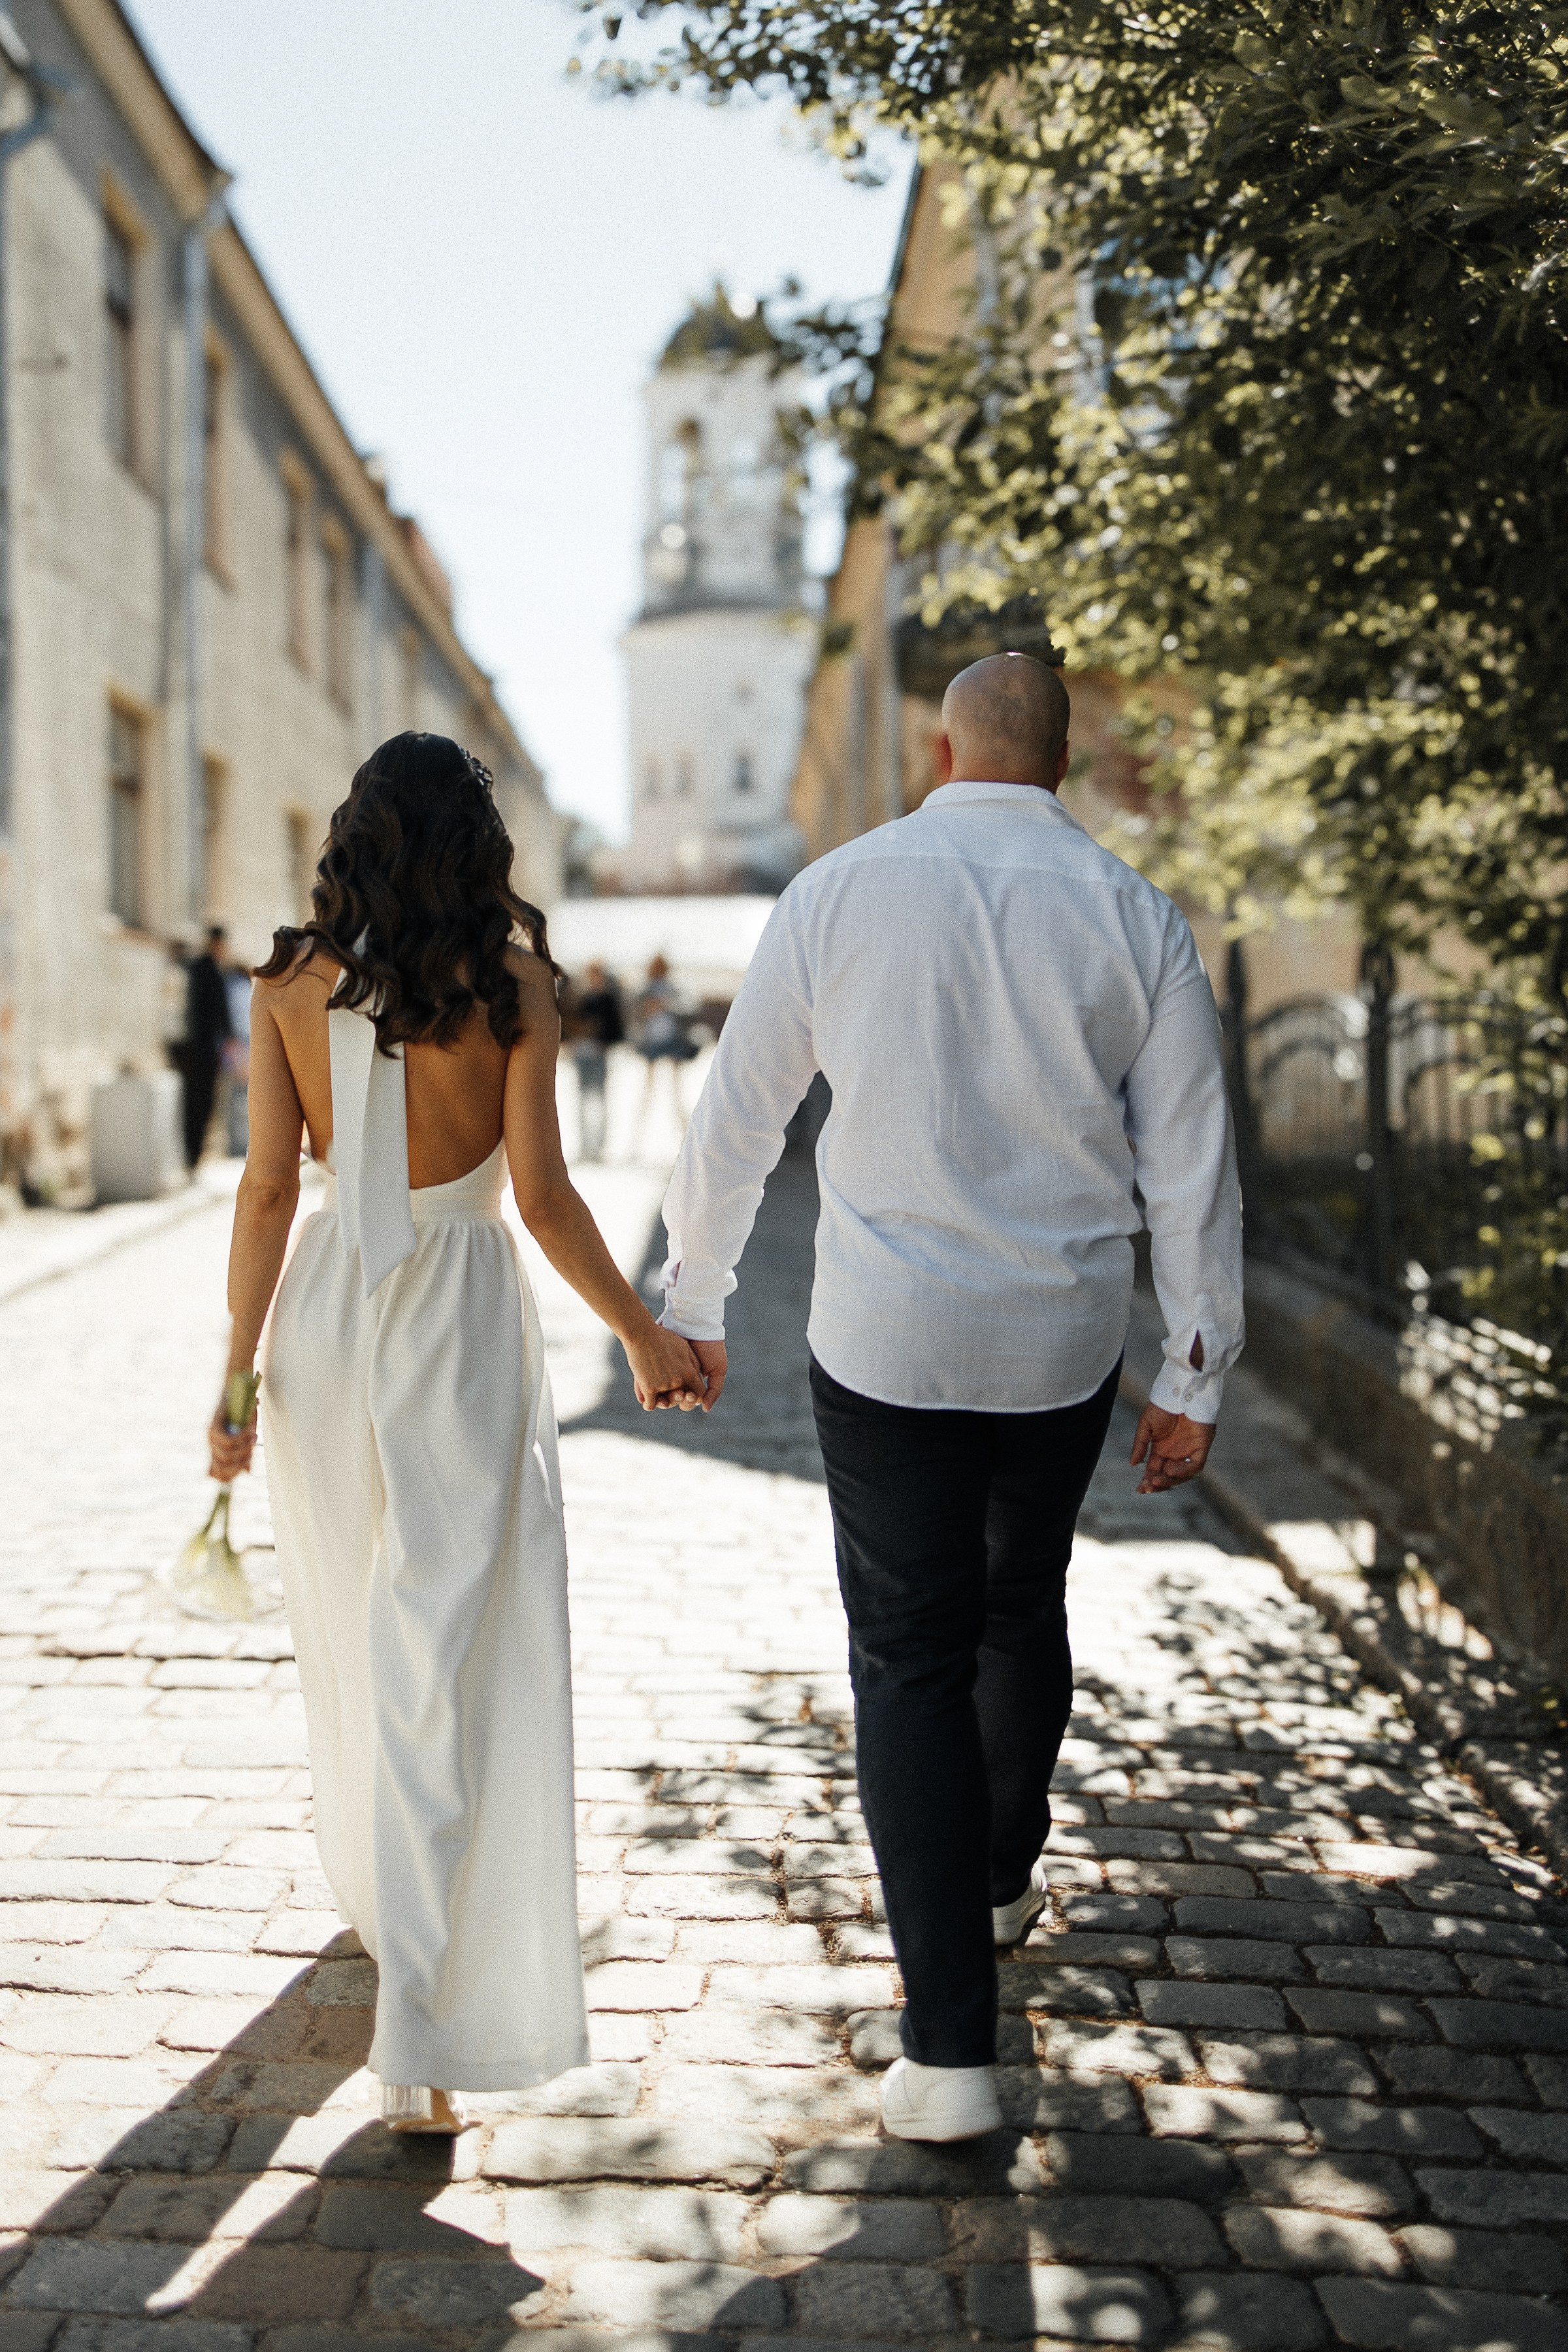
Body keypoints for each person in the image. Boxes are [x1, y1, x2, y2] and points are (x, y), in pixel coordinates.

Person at [658, 653, 1243, 2144]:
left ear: (939, 750)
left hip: (886, 1336)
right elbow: (1190, 1158)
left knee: (908, 1656)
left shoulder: (837, 892)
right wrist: (1192, 1369)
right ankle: (994, 1883)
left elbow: (737, 1115)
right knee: (1018, 1602)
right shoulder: (1134, 913)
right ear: (1061, 762)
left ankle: (944, 2051)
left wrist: (695, 1299)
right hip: (1057, 1339)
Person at [208, 733, 704, 2133]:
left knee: (356, 1635)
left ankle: (396, 1921)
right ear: (476, 847)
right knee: (453, 1653)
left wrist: (237, 1377)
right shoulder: (515, 984)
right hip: (460, 1320)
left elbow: (266, 1191)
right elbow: (541, 1199)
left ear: (354, 837)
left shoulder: (290, 982)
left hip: (326, 1316)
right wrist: (642, 1333)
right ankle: (422, 2025)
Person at [181, 925, 232, 1169]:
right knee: (201, 1102)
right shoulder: (210, 972)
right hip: (203, 1050)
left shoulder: (193, 968)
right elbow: (220, 1014)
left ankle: (192, 1155)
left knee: (193, 1101)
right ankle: (193, 1155)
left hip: (190, 1048)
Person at [564, 960, 624, 1162]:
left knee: (599, 1100)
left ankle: (599, 1147)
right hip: (583, 1054)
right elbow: (571, 1023)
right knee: (583, 1100)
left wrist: (604, 1042)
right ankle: (585, 1146)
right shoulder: (582, 997)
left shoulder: (608, 999)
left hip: (598, 1055)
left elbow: (615, 1029)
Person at [633, 954, 695, 1144]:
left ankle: (686, 1137)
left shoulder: (672, 989)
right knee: (648, 1091)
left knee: (677, 1092)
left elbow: (688, 1009)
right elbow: (635, 1015)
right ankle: (638, 1138)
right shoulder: (645, 991)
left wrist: (667, 1005)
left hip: (673, 1042)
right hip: (652, 1043)